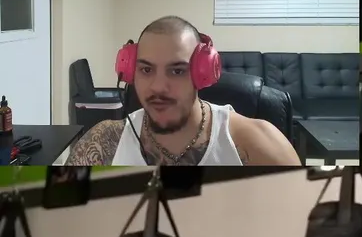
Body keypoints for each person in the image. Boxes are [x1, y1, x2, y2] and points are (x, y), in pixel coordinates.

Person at [63, 16, 300, 166]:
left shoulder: (256, 144)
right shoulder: (105, 142)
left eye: (177, 71)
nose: (158, 86)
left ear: (203, 73)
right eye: (146, 69)